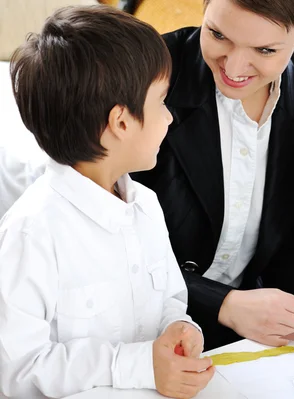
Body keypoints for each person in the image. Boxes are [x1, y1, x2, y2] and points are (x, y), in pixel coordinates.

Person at [0, 6, 214, 398]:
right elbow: (19, 372)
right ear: (121, 122)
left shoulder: (146, 205)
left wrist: (180, 328)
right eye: (161, 101)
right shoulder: (31, 232)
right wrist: (138, 366)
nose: (169, 118)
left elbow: (169, 299)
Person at [132, 0, 294, 350]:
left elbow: (287, 234)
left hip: (246, 335)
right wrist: (222, 302)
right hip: (141, 328)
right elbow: (113, 250)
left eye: (265, 49)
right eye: (218, 34)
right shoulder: (143, 73)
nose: (234, 67)